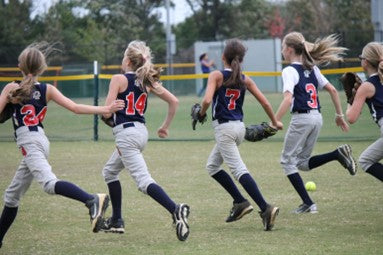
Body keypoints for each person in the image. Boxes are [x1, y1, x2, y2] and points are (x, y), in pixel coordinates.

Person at [0, 43, 125, 249]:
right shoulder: (47, 89)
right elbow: (75, 108)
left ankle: (92, 199)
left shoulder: (12, 88)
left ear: (20, 67)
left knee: (49, 184)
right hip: (40, 139)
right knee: (12, 196)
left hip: (29, 143)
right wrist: (107, 108)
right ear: (41, 68)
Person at [100, 40, 190, 241]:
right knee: (109, 172)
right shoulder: (146, 81)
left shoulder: (118, 79)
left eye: (124, 56)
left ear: (128, 61)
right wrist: (164, 126)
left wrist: (109, 114)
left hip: (126, 135)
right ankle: (116, 220)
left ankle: (175, 209)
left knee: (143, 181)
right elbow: (174, 101)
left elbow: (106, 113)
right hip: (141, 132)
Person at [198, 38, 283, 231]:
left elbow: (207, 100)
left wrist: (201, 113)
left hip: (225, 130)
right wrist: (275, 122)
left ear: (223, 57)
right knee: (212, 167)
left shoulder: (217, 75)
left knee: (238, 170)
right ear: (241, 59)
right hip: (239, 128)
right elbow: (266, 103)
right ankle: (240, 202)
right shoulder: (244, 79)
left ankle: (265, 207)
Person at [274, 32, 357, 214]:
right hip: (316, 118)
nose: (282, 51)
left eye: (282, 48)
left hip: (302, 118)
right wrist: (339, 115)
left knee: (287, 162)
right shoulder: (312, 68)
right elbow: (333, 90)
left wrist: (275, 120)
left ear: (289, 50)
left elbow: (288, 99)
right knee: (301, 162)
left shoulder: (289, 70)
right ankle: (337, 154)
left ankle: (309, 204)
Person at [346, 42, 383, 182]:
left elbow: (351, 118)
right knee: (366, 159)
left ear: (366, 62)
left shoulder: (367, 86)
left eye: (361, 58)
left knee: (366, 160)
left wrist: (350, 98)